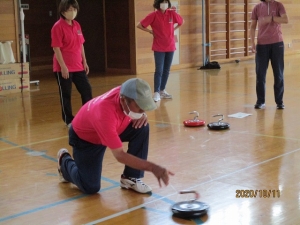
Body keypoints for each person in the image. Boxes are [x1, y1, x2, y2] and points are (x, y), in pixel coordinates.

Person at [57, 78, 174, 194]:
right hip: (86, 139)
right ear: (123, 101)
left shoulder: (126, 92)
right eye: (139, 107)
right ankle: (64, 162)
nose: (142, 110)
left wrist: (141, 113)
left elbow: (135, 103)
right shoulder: (105, 113)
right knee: (90, 186)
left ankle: (130, 177)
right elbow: (120, 155)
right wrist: (153, 168)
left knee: (142, 127)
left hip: (113, 128)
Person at [51, 0, 92, 127]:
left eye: (74, 9)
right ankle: (68, 120)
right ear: (63, 11)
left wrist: (84, 61)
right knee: (66, 94)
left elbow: (81, 44)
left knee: (87, 91)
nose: (73, 12)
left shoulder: (77, 25)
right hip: (63, 68)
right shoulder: (57, 27)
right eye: (70, 10)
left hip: (78, 65)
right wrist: (63, 66)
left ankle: (87, 116)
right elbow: (56, 48)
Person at [137, 0, 184, 102]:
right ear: (158, 4)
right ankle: (156, 92)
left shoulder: (172, 13)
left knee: (167, 70)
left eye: (166, 2)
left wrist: (173, 29)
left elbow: (181, 22)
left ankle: (162, 90)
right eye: (162, 2)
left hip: (170, 46)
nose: (164, 4)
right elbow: (139, 25)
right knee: (159, 70)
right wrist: (150, 31)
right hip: (158, 46)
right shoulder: (153, 15)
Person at [250, 0, 288, 109]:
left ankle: (279, 102)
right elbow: (252, 26)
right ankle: (260, 101)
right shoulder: (257, 8)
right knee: (260, 75)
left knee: (279, 74)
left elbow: (285, 19)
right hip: (262, 45)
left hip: (277, 44)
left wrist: (272, 18)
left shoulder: (279, 5)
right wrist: (252, 42)